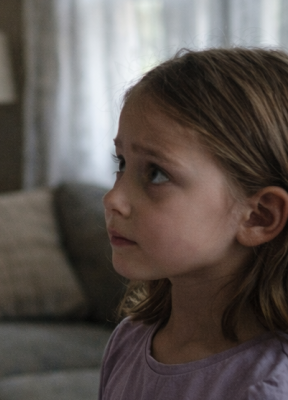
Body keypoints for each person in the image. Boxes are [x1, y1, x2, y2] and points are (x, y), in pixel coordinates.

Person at [100, 47, 288, 399]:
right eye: (122, 163)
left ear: (259, 216)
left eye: (156, 174)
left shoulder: (268, 387)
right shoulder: (130, 339)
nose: (113, 198)